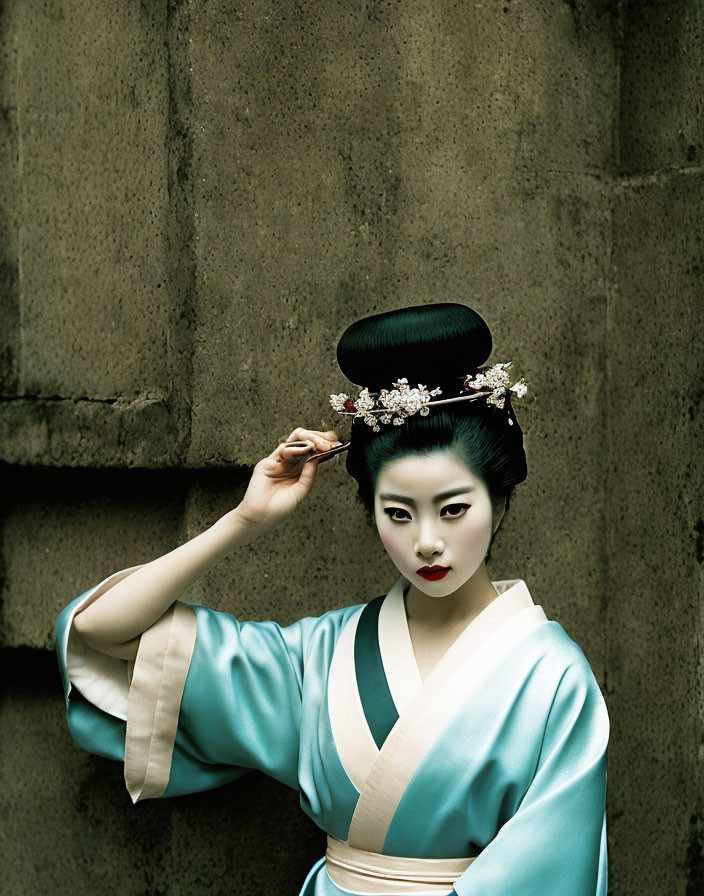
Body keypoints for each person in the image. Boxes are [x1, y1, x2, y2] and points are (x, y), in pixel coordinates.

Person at [55, 302, 609, 895]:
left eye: (454, 509)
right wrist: (244, 519)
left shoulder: (553, 678)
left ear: (499, 503)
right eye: (398, 513)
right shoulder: (320, 656)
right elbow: (102, 633)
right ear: (370, 513)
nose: (426, 542)